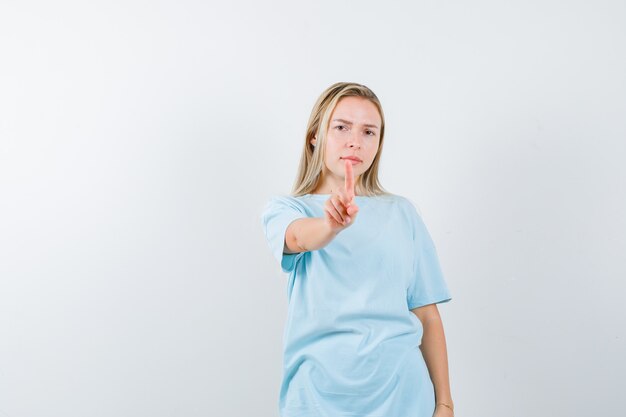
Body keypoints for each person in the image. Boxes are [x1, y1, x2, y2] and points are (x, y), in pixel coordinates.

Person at [260, 82, 455, 417]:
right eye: (341, 127)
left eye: (369, 132)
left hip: (403, 395)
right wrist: (330, 225)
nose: (355, 141)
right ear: (315, 136)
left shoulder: (402, 213)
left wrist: (444, 403)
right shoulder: (286, 210)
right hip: (316, 398)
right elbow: (298, 239)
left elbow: (427, 314)